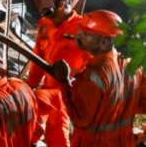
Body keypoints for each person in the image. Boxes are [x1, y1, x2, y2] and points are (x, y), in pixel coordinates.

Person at [52, 10, 146, 147]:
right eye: (80, 30)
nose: (78, 35)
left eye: (86, 34)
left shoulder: (94, 75)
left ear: (104, 41)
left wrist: (64, 81)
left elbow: (80, 118)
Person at [24, 0, 92, 147]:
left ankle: (27, 141)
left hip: (71, 90)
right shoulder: (44, 25)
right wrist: (29, 86)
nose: (41, 5)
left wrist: (75, 79)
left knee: (36, 103)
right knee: (57, 134)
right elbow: (38, 58)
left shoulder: (83, 29)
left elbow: (95, 64)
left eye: (47, 0)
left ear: (61, 3)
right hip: (51, 89)